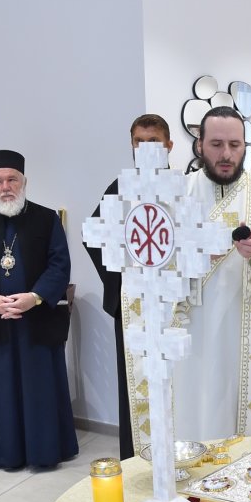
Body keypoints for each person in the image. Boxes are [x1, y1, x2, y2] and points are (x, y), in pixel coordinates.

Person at [128, 106, 251, 444]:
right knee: (191, 414)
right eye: (217, 144)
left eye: (235, 145)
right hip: (189, 332)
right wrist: (189, 255)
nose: (226, 154)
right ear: (199, 145)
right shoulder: (170, 195)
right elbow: (142, 264)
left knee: (240, 423)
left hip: (248, 332)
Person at [0, 150, 78, 471]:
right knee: (0, 390)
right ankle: (3, 454)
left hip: (35, 320)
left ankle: (44, 452)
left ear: (25, 181)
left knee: (39, 389)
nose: (5, 186)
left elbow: (59, 265)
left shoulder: (46, 218)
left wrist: (34, 297)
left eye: (12, 179)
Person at [84, 113, 174, 460]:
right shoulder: (120, 188)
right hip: (134, 302)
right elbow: (93, 236)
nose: (147, 148)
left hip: (176, 301)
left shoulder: (183, 185)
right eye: (140, 142)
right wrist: (122, 283)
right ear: (132, 147)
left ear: (169, 145)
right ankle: (136, 457)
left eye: (154, 142)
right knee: (136, 384)